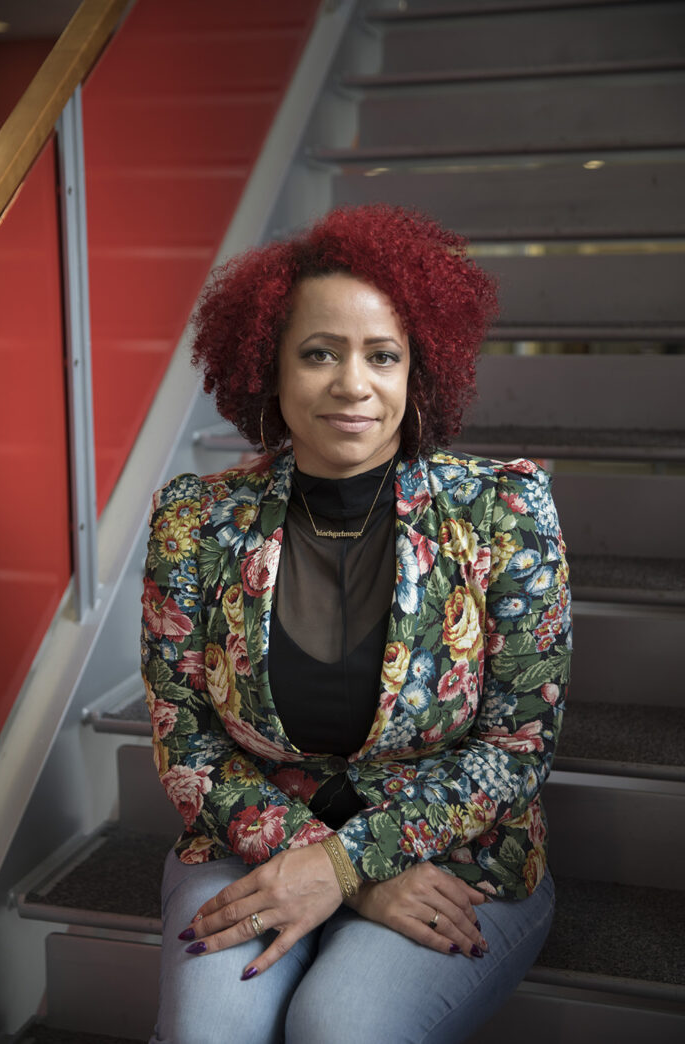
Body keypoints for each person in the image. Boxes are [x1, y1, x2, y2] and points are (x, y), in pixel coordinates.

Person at [141, 204, 571, 1044]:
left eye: (382, 355)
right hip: (250, 837)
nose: (351, 384)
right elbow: (184, 740)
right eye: (318, 354)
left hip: (454, 861)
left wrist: (346, 863)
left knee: (341, 1029)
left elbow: (517, 746)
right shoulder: (196, 521)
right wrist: (338, 874)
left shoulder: (503, 512)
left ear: (419, 371)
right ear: (268, 368)